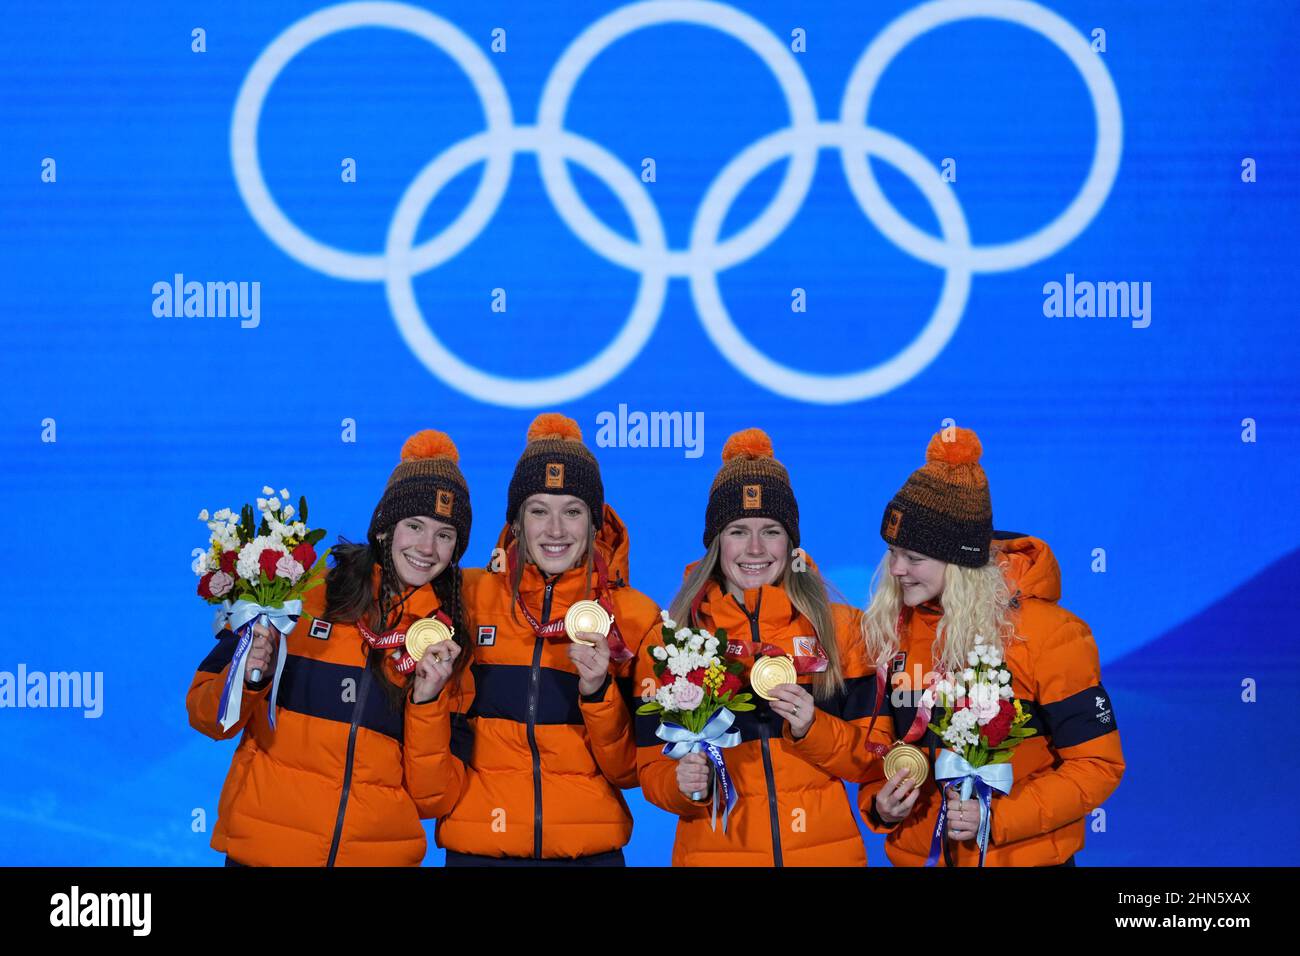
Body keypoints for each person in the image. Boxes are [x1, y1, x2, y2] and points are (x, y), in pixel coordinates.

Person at [186, 430, 473, 866]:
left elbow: (434, 798)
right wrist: (247, 675)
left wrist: (428, 702)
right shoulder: (299, 595)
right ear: (384, 529)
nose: (426, 548)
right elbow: (208, 717)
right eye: (414, 526)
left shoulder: (447, 644)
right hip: (266, 851)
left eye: (445, 535)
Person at [858, 427, 1125, 866]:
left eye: (915, 558)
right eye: (893, 552)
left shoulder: (1049, 635)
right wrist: (881, 805)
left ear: (960, 561)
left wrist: (995, 818)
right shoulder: (896, 629)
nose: (898, 570)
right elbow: (886, 748)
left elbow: (1097, 765)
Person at [422, 413, 662, 865]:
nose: (555, 531)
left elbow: (632, 770)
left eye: (572, 511)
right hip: (479, 850)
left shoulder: (635, 617)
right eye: (539, 511)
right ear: (515, 523)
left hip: (588, 853)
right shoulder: (464, 597)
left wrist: (599, 695)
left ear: (595, 524)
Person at [635, 429, 878, 866]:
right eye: (737, 531)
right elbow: (649, 770)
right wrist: (684, 784)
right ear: (716, 542)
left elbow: (870, 760)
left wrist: (812, 729)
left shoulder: (843, 631)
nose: (754, 548)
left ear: (791, 542)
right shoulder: (670, 641)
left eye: (771, 531)